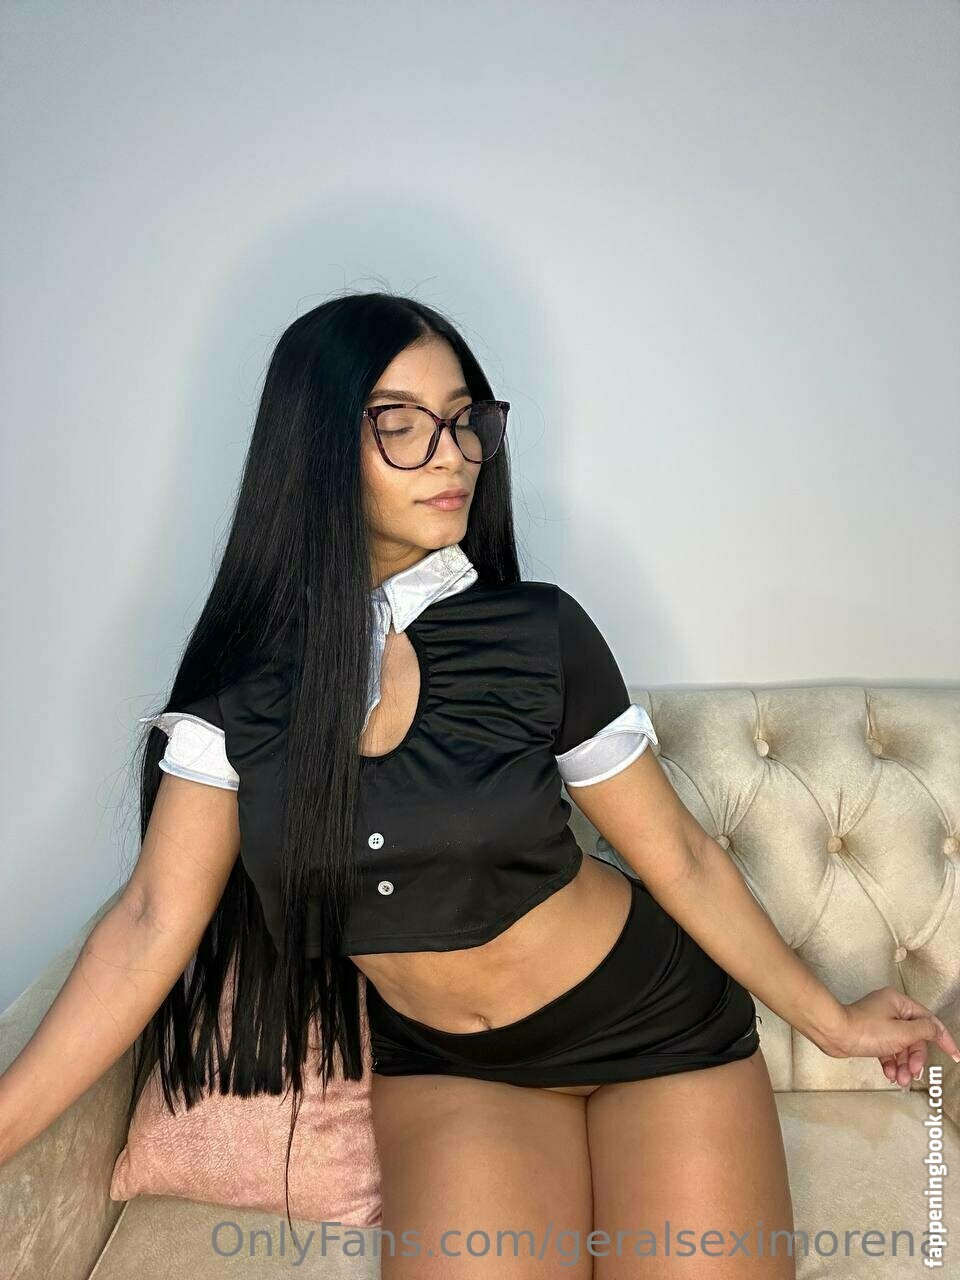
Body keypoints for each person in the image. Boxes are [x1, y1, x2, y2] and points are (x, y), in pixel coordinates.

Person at [2, 292, 958, 1280]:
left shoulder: (537, 633)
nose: (453, 455)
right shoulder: (239, 697)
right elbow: (149, 922)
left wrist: (830, 1020)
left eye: (464, 421)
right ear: (314, 448)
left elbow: (678, 855)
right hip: (452, 1065)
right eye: (401, 425)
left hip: (652, 1023)